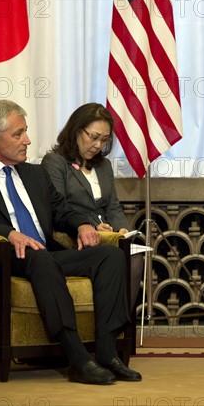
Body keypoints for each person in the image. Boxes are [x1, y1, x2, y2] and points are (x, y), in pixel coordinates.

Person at [0, 100, 142, 385]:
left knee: (108, 256)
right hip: (5, 257)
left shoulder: (34, 173)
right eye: (18, 134)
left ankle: (107, 352)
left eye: (26, 132)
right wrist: (7, 233)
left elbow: (62, 210)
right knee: (41, 257)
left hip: (43, 253)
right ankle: (77, 358)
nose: (28, 140)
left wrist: (82, 224)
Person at [41, 103, 143, 309]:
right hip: (76, 237)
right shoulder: (55, 162)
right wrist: (90, 225)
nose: (98, 145)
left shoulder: (103, 166)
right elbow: (57, 208)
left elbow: (113, 207)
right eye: (94, 137)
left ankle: (119, 328)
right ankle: (113, 327)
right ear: (77, 130)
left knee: (135, 256)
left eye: (104, 139)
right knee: (126, 259)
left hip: (108, 236)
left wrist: (122, 229)